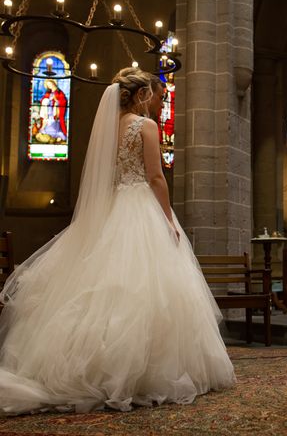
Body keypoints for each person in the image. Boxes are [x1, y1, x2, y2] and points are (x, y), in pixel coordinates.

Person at [0, 68, 235, 415]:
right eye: (157, 96)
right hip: (140, 206)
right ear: (141, 95)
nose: (159, 103)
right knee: (148, 289)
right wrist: (169, 220)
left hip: (111, 208)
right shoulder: (146, 127)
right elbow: (155, 176)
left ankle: (85, 366)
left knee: (101, 287)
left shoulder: (107, 130)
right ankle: (142, 374)